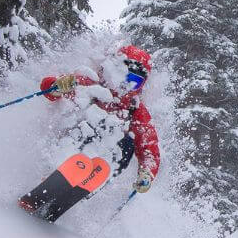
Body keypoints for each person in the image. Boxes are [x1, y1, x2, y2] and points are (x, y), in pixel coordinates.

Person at [38, 45, 161, 195]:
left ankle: (88, 186)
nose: (127, 85)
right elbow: (48, 89)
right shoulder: (91, 84)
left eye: (135, 81)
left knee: (128, 142)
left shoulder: (135, 109)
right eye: (125, 76)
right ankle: (54, 172)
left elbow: (149, 147)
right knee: (87, 118)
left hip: (103, 155)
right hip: (71, 142)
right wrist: (57, 87)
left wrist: (147, 172)